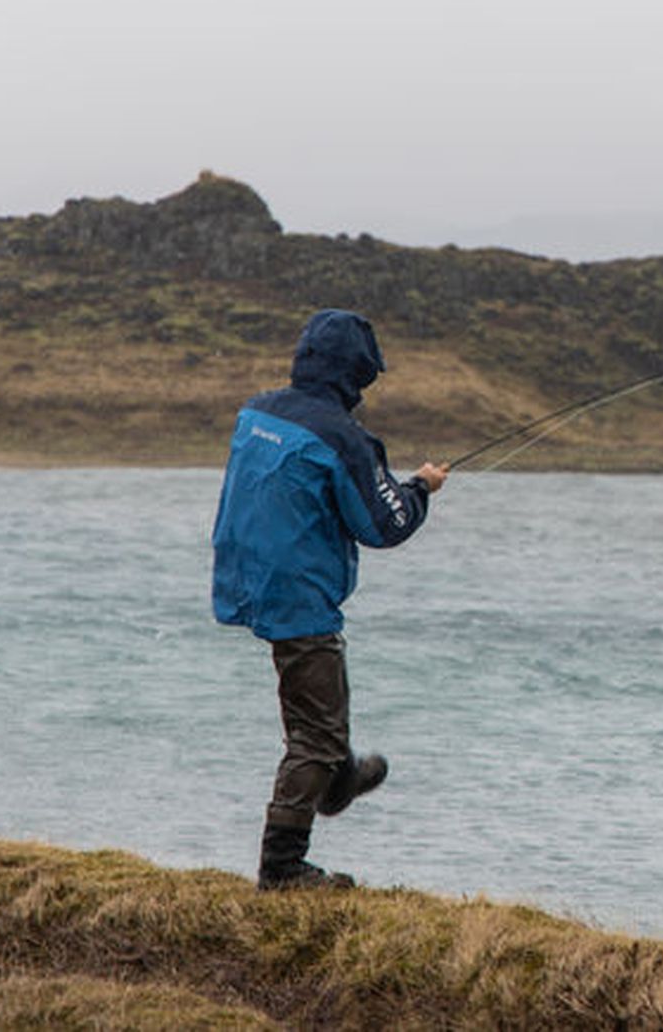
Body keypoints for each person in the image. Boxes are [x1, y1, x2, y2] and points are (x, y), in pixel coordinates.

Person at [211, 308, 448, 890]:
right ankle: (283, 866)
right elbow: (383, 525)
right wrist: (421, 488)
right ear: (356, 375)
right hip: (298, 592)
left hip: (244, 573)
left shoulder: (257, 411)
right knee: (312, 735)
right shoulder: (344, 438)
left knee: (317, 699)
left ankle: (338, 779)